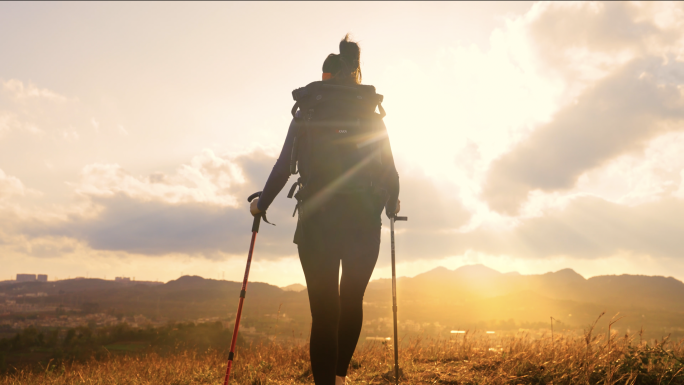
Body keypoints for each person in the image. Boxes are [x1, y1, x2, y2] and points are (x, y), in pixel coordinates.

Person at [249, 34, 400, 385]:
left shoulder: (309, 109)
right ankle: (341, 376)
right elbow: (391, 173)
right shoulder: (371, 113)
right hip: (363, 222)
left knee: (324, 312)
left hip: (318, 222)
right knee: (351, 302)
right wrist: (391, 205)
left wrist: (262, 204)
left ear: (325, 77)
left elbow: (283, 168)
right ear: (355, 73)